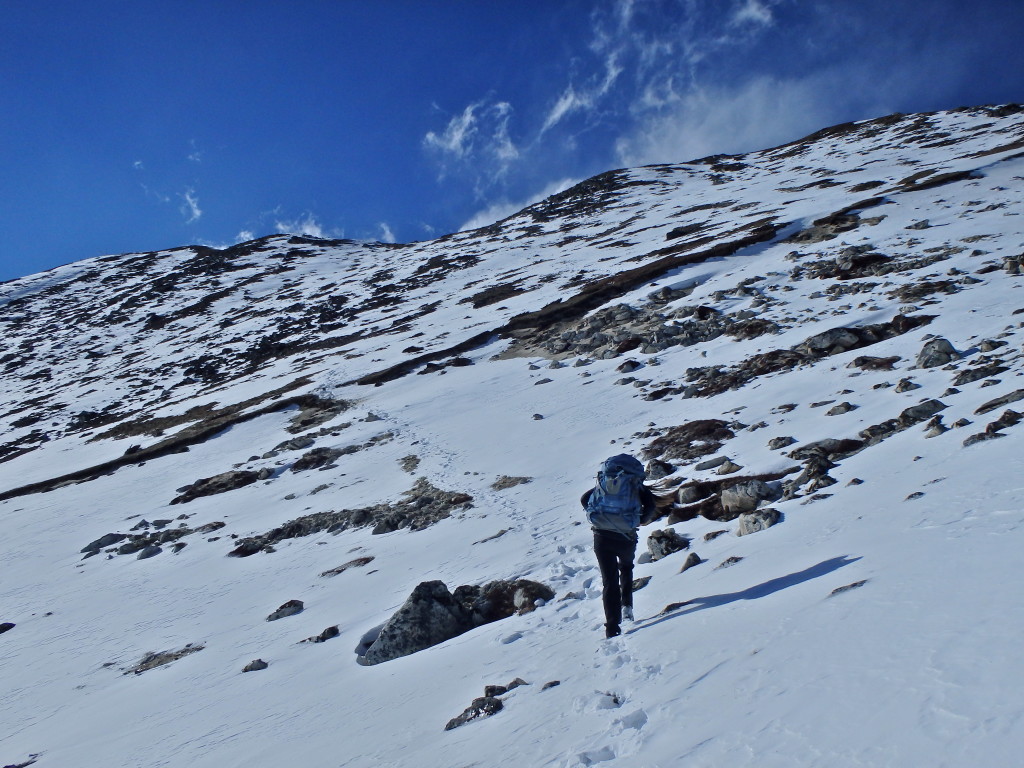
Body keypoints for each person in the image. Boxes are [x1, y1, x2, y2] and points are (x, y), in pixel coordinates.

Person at [581, 454, 657, 638]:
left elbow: (584, 499)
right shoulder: (635, 486)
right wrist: (638, 521)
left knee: (609, 581)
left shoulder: (604, 485)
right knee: (626, 568)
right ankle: (627, 607)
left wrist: (598, 516)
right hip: (626, 538)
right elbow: (651, 508)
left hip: (601, 537)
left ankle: (612, 627)